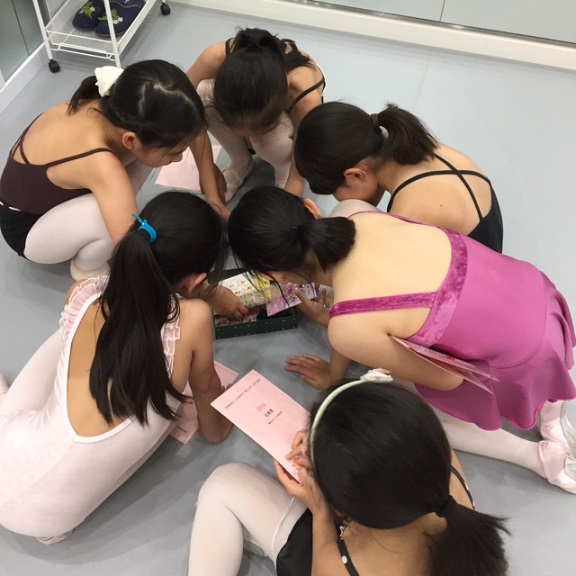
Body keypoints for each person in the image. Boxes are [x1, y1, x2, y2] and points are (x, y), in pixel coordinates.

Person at [227, 186, 576, 493]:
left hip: (521, 357)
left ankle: (536, 458)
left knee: (405, 399)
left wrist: (356, 363)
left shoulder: (348, 327)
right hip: (540, 300)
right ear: (311, 208)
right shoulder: (356, 212)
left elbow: (447, 379)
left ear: (274, 275)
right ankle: (551, 407)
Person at [0, 191, 232, 543]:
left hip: (12, 453)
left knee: (69, 335)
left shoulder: (83, 293)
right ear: (196, 282)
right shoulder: (194, 318)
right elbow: (212, 421)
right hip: (48, 522)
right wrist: (221, 428)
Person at [188, 380, 509, 576]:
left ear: (343, 507)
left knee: (223, 483)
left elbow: (325, 561)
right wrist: (330, 443)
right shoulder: (439, 459)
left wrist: (319, 509)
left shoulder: (342, 566)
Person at [0, 60, 206, 280]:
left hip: (45, 199)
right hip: (25, 229)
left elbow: (188, 127)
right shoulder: (101, 162)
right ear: (130, 140)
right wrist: (190, 282)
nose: (180, 158)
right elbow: (131, 250)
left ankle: (94, 223)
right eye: (175, 153)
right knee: (104, 221)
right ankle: (88, 269)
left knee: (149, 157)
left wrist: (210, 185)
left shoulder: (123, 103)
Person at [294, 101, 503, 252]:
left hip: (481, 282)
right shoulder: (423, 147)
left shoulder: (410, 209)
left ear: (356, 174)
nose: (338, 199)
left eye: (333, 191)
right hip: (489, 252)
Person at [186, 27, 325, 217]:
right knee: (201, 94)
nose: (248, 138)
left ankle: (281, 170)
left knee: (275, 145)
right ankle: (240, 162)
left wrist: (287, 204)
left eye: (253, 132)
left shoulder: (306, 96)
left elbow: (301, 163)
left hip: (290, 130)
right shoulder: (214, 57)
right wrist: (207, 172)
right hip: (260, 112)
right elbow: (184, 110)